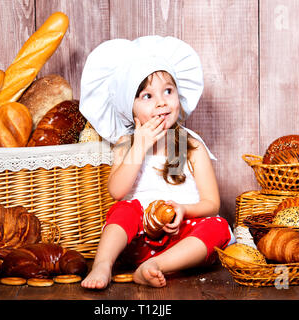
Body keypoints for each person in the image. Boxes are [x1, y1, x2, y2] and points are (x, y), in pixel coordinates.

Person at [78, 36, 235, 289]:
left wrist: (184, 210)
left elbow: (212, 204)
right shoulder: (126, 143)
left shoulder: (191, 144)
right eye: (147, 96)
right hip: (137, 241)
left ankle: (156, 266)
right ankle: (103, 264)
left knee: (219, 227)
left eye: (168, 91)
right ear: (130, 108)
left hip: (182, 241)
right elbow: (116, 192)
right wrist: (139, 145)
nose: (162, 101)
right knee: (124, 210)